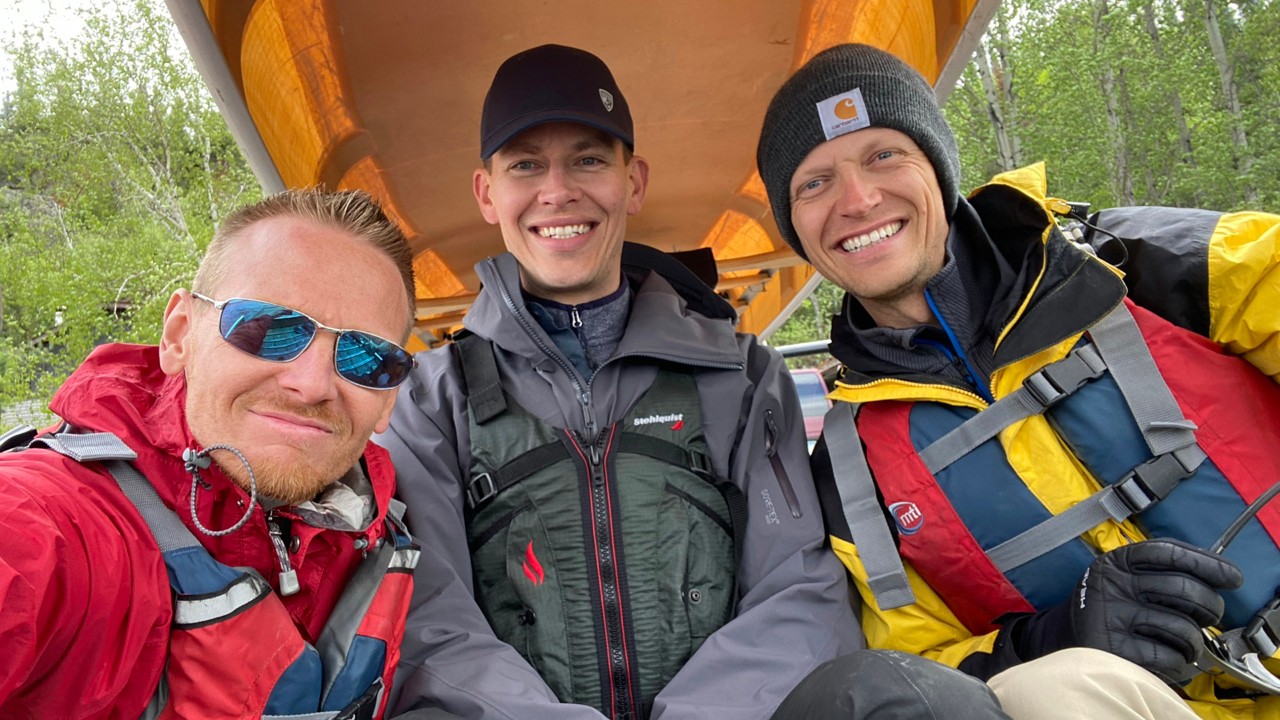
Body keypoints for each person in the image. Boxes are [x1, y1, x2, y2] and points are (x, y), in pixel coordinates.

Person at [379, 44, 1011, 720]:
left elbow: (797, 588)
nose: (557, 190)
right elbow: (428, 619)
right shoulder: (427, 398)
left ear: (634, 181)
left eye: (589, 160)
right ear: (487, 193)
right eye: (526, 165)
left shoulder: (742, 378)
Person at [755, 42, 1280, 720]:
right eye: (813, 183)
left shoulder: (1146, 268)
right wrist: (1056, 636)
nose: (857, 200)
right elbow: (919, 667)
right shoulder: (850, 470)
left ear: (937, 170)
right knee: (1049, 689)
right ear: (795, 227)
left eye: (884, 155)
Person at [0, 189, 428, 719]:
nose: (312, 384)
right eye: (269, 328)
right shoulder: (50, 522)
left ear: (388, 398)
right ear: (180, 334)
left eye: (367, 358)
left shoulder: (375, 525)